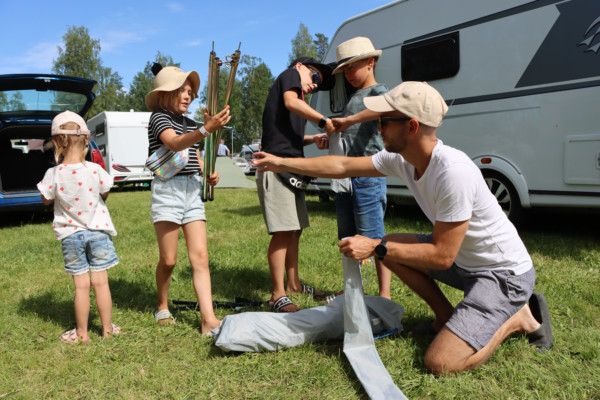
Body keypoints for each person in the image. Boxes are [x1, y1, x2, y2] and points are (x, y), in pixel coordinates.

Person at [252, 81, 553, 373]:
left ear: (412, 127)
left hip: (503, 275)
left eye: (384, 121)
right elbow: (342, 166)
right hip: (467, 264)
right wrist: (282, 163)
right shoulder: (403, 159)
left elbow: (442, 256)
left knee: (441, 362)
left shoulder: (453, 172)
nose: (378, 128)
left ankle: (517, 318)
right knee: (391, 245)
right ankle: (444, 317)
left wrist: (375, 247)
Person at [145, 64, 230, 334]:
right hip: (167, 190)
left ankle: (208, 319)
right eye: (181, 91)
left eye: (190, 92)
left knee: (200, 257)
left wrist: (209, 173)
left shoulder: (192, 123)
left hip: (192, 189)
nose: (187, 96)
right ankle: (162, 305)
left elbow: (196, 157)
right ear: (165, 94)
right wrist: (205, 130)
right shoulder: (158, 118)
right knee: (169, 260)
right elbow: (174, 143)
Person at [258, 56, 335, 312]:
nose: (315, 85)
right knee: (283, 230)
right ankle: (277, 295)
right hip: (275, 166)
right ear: (300, 67)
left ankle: (293, 285)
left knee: (295, 229)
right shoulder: (290, 76)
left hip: (291, 167)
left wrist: (313, 138)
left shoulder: (298, 96)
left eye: (318, 83)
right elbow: (291, 102)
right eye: (315, 77)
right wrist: (324, 121)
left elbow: (288, 137)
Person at [37, 111, 121, 343]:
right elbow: (105, 191)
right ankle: (107, 330)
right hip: (98, 232)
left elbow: (45, 200)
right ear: (86, 139)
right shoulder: (95, 170)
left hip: (71, 236)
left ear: (56, 142)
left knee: (81, 287)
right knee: (101, 283)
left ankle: (82, 334)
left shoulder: (53, 174)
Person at [326, 36, 392, 299]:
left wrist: (350, 120)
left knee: (374, 238)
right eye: (344, 71)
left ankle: (384, 294)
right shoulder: (354, 97)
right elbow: (349, 131)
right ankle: (352, 290)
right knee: (348, 237)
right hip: (347, 178)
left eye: (351, 67)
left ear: (370, 62)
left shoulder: (378, 91)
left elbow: (385, 109)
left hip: (368, 177)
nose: (348, 74)